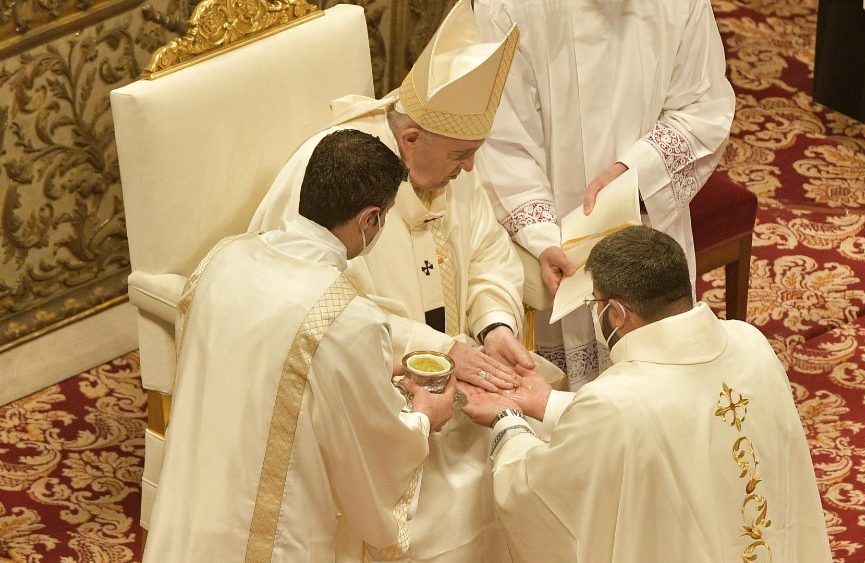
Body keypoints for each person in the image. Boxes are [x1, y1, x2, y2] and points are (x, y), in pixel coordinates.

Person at [250, 2, 549, 560]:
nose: (466, 171)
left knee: (541, 452)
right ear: (410, 139)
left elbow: (487, 250)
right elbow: (313, 308)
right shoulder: (339, 172)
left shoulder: (449, 155)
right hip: (374, 395)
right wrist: (442, 351)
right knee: (443, 502)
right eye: (461, 156)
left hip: (459, 381)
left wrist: (495, 325)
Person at [144, 130, 457, 562]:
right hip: (273, 528)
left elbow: (256, 360)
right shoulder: (346, 318)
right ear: (369, 220)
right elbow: (373, 446)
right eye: (383, 218)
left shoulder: (221, 260)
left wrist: (368, 369)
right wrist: (423, 418)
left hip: (196, 493)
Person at [462, 226, 832, 562]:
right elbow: (668, 421)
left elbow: (538, 495)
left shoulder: (617, 400)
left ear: (617, 313)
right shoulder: (750, 341)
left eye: (596, 303)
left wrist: (507, 422)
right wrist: (548, 403)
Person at [473, 0, 737, 388]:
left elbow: (703, 107)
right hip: (557, 232)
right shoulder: (509, 7)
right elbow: (503, 141)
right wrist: (545, 239)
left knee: (659, 391)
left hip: (647, 217)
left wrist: (635, 170)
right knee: (570, 408)